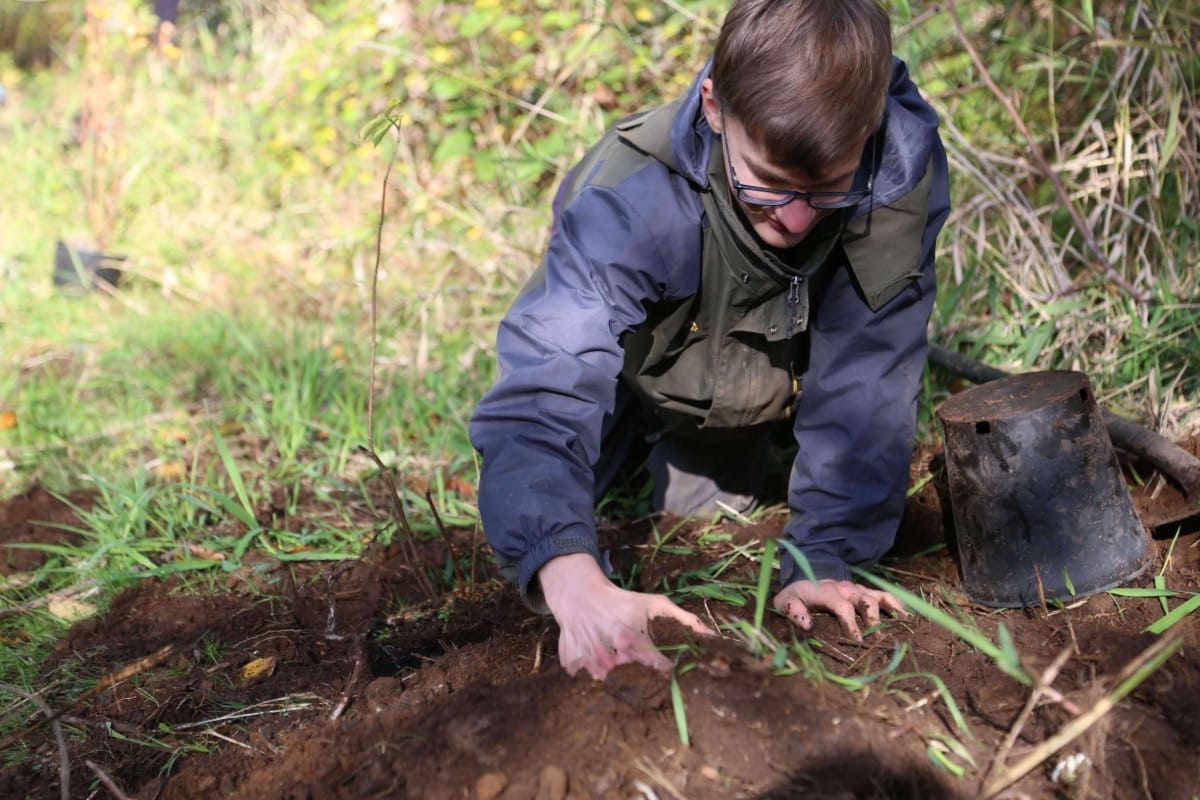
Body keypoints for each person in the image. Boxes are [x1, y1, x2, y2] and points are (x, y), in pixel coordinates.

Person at [469, 0, 950, 680]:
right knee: (541, 524)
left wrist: (827, 557)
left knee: (701, 509)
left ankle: (721, 439)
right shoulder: (633, 197)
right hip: (628, 363)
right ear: (715, 107)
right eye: (770, 185)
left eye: (827, 189)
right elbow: (548, 380)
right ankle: (629, 438)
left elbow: (868, 374)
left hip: (751, 373)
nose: (796, 220)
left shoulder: (895, 173)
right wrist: (574, 581)